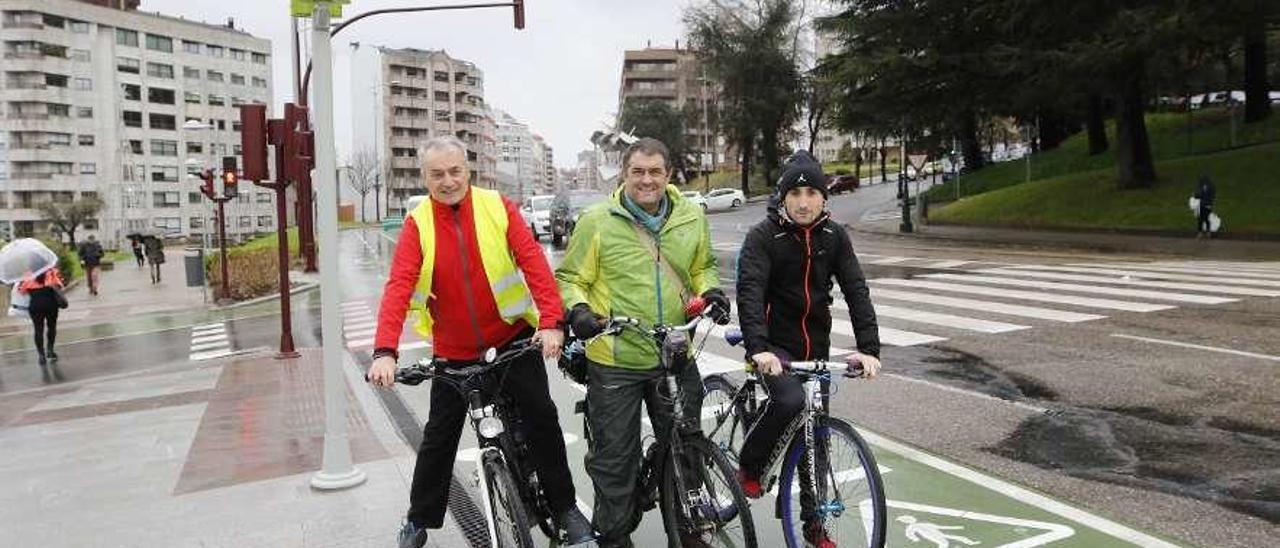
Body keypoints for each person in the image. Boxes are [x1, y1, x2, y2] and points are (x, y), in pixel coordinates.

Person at [365, 136, 592, 548]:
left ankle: (565, 510)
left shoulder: (496, 207)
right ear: (426, 178)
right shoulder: (419, 224)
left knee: (542, 418)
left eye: (455, 171)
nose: (448, 181)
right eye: (438, 174)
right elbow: (399, 286)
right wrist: (385, 351)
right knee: (438, 437)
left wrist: (552, 322)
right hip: (453, 352)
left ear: (468, 171)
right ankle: (419, 520)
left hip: (511, 341)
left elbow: (533, 261)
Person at [555, 138, 731, 548]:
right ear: (625, 174)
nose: (646, 180)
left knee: (688, 450)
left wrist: (711, 292)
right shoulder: (598, 220)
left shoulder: (690, 216)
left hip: (674, 353)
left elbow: (702, 267)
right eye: (638, 172)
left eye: (655, 172)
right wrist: (579, 311)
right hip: (616, 358)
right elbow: (570, 278)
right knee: (615, 462)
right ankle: (615, 537)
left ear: (668, 175)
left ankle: (688, 530)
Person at [734, 150, 883, 548]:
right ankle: (748, 465)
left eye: (812, 192)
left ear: (824, 198)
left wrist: (870, 349)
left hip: (814, 347)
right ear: (783, 197)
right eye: (795, 192)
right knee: (788, 402)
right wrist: (757, 348)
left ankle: (814, 528)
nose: (803, 202)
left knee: (815, 443)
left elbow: (856, 290)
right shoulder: (763, 237)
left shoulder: (834, 236)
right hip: (773, 345)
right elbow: (749, 294)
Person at [19, 267, 65, 366]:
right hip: (51, 305)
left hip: (35, 306)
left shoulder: (27, 275)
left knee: (38, 329)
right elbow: (60, 286)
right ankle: (50, 350)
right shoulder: (52, 272)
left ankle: (41, 355)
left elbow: (22, 291)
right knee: (51, 327)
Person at [1193, 173, 1216, 239]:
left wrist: (1211, 203)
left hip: (1207, 204)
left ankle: (1208, 232)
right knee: (1200, 219)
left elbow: (1212, 195)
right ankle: (1200, 232)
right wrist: (1196, 195)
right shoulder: (1200, 186)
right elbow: (1198, 194)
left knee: (1206, 218)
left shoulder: (1211, 186)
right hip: (1201, 205)